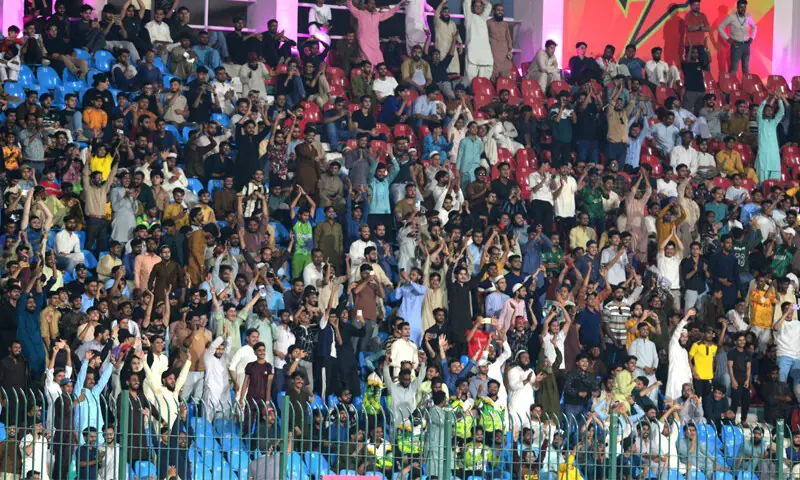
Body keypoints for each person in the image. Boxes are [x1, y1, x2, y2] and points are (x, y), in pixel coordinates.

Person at [346, 0, 407, 66]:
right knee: (369, 65)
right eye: (371, 3)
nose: (373, 5)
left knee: (381, 64)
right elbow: (351, 7)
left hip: (375, 45)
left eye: (374, 4)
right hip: (364, 45)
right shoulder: (360, 14)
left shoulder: (377, 15)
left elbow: (389, 13)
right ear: (366, 5)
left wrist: (399, 6)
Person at [718, 0, 757, 74]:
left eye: (744, 7)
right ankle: (732, 85)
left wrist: (752, 37)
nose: (743, 9)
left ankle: (745, 85)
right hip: (736, 45)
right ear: (737, 7)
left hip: (746, 45)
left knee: (746, 69)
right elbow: (720, 27)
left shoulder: (748, 16)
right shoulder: (731, 17)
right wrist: (728, 38)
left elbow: (754, 27)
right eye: (741, 7)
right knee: (734, 69)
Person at [754, 94, 787, 182]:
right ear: (763, 112)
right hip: (764, 153)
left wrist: (779, 100)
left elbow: (782, 112)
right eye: (767, 110)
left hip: (774, 154)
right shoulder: (761, 122)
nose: (770, 111)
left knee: (775, 178)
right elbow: (758, 112)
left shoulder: (774, 122)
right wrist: (766, 99)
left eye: (771, 110)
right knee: (762, 178)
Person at [463, 0, 493, 81]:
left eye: (480, 6)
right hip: (472, 55)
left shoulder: (483, 18)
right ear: (472, 8)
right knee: (471, 81)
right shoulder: (469, 18)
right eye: (476, 6)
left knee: (484, 82)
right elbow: (466, 3)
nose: (479, 8)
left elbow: (489, 6)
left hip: (485, 56)